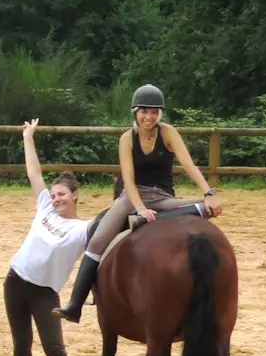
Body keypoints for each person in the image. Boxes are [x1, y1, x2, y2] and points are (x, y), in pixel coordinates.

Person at [54, 84, 222, 322]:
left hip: (164, 198)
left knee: (208, 207)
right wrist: (140, 208)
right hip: (132, 198)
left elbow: (188, 165)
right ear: (135, 112)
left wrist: (208, 192)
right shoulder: (126, 139)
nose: (149, 117)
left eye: (154, 112)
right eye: (144, 111)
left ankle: (152, 220)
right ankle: (75, 304)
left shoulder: (167, 133)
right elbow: (129, 180)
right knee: (99, 238)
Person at [6, 120, 94, 356]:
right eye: (54, 194)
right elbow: (34, 172)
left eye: (62, 195)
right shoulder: (44, 206)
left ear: (75, 196)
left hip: (44, 292)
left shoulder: (83, 229)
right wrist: (27, 137)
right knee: (21, 344)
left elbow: (110, 229)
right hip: (15, 281)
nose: (56, 198)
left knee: (54, 348)